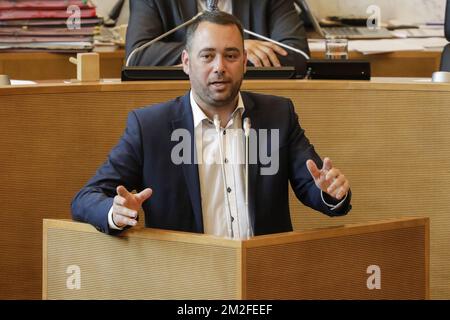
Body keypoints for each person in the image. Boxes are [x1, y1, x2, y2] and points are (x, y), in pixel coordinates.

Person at [72, 11, 351, 238]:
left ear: (244, 62)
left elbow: (315, 186)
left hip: (264, 273)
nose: (219, 67)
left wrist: (331, 193)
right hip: (187, 279)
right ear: (186, 62)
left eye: (230, 56)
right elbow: (86, 198)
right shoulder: (150, 128)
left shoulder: (277, 115)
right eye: (207, 56)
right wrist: (115, 212)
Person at [125, 0, 310, 68]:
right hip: (176, 102)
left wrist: (234, 53)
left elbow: (298, 55)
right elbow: (137, 56)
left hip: (256, 103)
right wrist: (226, 50)